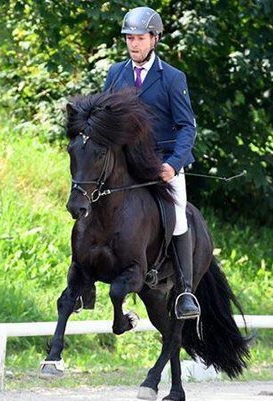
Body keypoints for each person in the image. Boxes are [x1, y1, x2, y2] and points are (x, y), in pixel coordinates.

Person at [103, 6, 200, 320]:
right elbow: (105, 119)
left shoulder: (172, 77)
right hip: (126, 162)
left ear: (154, 39)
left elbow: (188, 126)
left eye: (140, 38)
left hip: (162, 163)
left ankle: (185, 290)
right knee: (92, 199)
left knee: (179, 216)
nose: (134, 44)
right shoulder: (115, 73)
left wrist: (173, 164)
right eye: (130, 38)